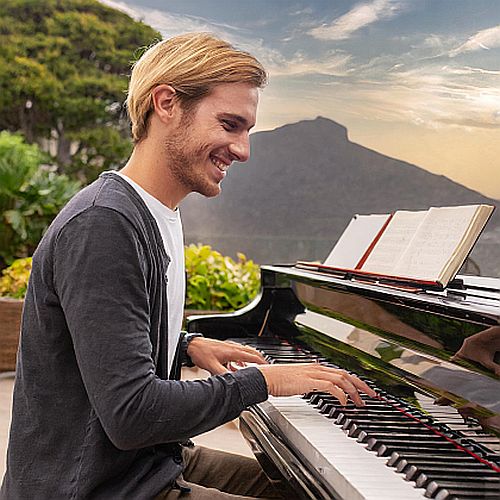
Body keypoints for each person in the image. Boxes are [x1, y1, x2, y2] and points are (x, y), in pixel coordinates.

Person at [1, 33, 375, 499]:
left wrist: (185, 344)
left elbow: (106, 336)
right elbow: (133, 413)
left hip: (139, 464)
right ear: (167, 103)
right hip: (90, 485)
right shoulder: (104, 225)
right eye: (229, 124)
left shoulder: (152, 213)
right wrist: (263, 381)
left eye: (247, 131)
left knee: (309, 490)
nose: (243, 150)